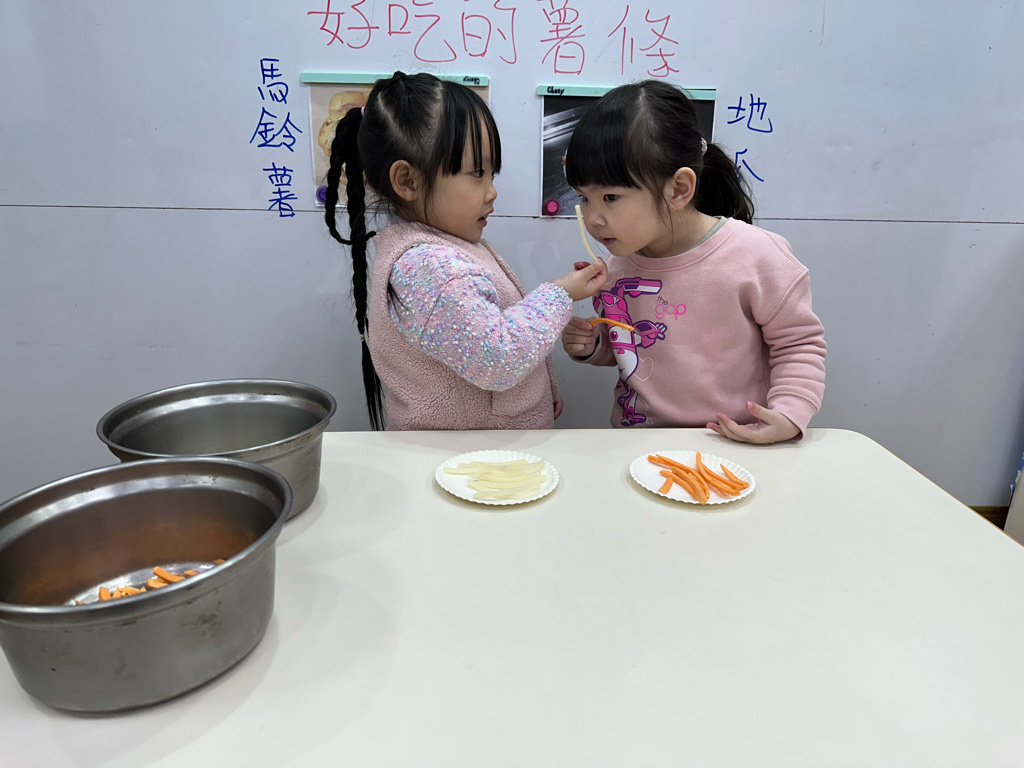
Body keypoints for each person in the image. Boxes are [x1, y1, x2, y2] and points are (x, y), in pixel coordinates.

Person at [324, 71, 607, 430]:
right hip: (469, 458)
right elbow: (497, 358)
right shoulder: (428, 268)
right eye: (477, 174)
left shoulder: (445, 249)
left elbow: (485, 340)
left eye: (492, 174)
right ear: (408, 181)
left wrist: (536, 390)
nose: (492, 192)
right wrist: (560, 293)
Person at [561, 80, 826, 444]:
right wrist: (595, 345)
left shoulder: (758, 257)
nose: (593, 219)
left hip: (735, 443)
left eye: (610, 197)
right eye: (583, 198)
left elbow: (799, 345)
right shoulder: (618, 266)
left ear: (679, 189)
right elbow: (635, 348)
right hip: (636, 446)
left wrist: (788, 414)